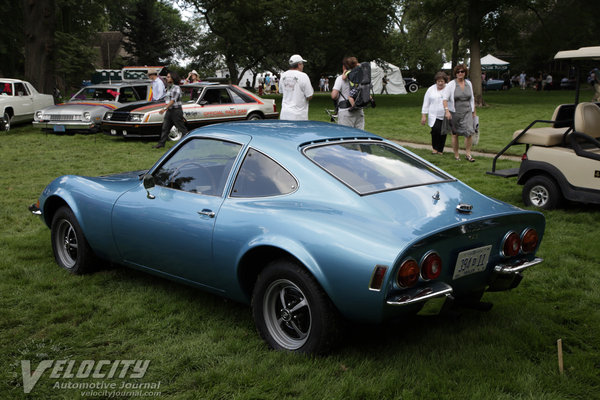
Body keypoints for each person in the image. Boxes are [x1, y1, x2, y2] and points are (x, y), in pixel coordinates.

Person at [442, 63, 477, 162]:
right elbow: (445, 99)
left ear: (465, 73)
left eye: (462, 71)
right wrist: (447, 111)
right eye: (458, 72)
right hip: (455, 112)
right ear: (455, 73)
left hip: (467, 112)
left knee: (469, 132)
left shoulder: (469, 84)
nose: (460, 73)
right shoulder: (451, 84)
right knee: (455, 134)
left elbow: (472, 99)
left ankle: (468, 154)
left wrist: (474, 112)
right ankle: (456, 155)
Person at [153, 72, 188, 149]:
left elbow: (173, 100)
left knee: (181, 128)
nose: (166, 78)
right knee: (165, 127)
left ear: (173, 78)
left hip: (176, 111)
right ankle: (161, 144)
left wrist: (164, 108)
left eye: (168, 77)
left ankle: (189, 143)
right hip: (170, 110)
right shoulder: (169, 87)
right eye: (167, 77)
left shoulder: (176, 88)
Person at [331, 57, 365, 130]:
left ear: (344, 67)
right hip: (359, 110)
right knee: (360, 136)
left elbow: (334, 96)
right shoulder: (360, 76)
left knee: (346, 136)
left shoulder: (340, 78)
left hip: (346, 111)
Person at [421, 71, 449, 154]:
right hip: (434, 115)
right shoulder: (431, 89)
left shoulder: (448, 88)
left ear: (445, 81)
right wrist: (424, 115)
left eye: (442, 81)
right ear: (436, 81)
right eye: (438, 81)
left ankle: (440, 150)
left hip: (445, 114)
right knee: (435, 131)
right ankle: (435, 148)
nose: (440, 83)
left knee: (443, 132)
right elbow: (426, 103)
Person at [279, 54, 314, 120]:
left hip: (284, 114)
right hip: (298, 115)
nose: (303, 66)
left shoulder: (283, 75)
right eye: (302, 64)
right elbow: (309, 96)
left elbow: (281, 92)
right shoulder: (303, 76)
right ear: (299, 64)